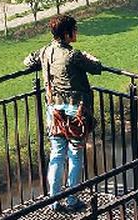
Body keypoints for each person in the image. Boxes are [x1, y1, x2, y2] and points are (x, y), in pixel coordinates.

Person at [23, 15, 102, 213]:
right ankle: (73, 199)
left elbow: (27, 61)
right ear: (67, 34)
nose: (77, 33)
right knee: (75, 154)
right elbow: (96, 67)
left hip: (54, 109)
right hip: (75, 111)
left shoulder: (45, 51)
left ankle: (53, 200)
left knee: (57, 155)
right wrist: (91, 57)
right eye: (75, 30)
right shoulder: (73, 55)